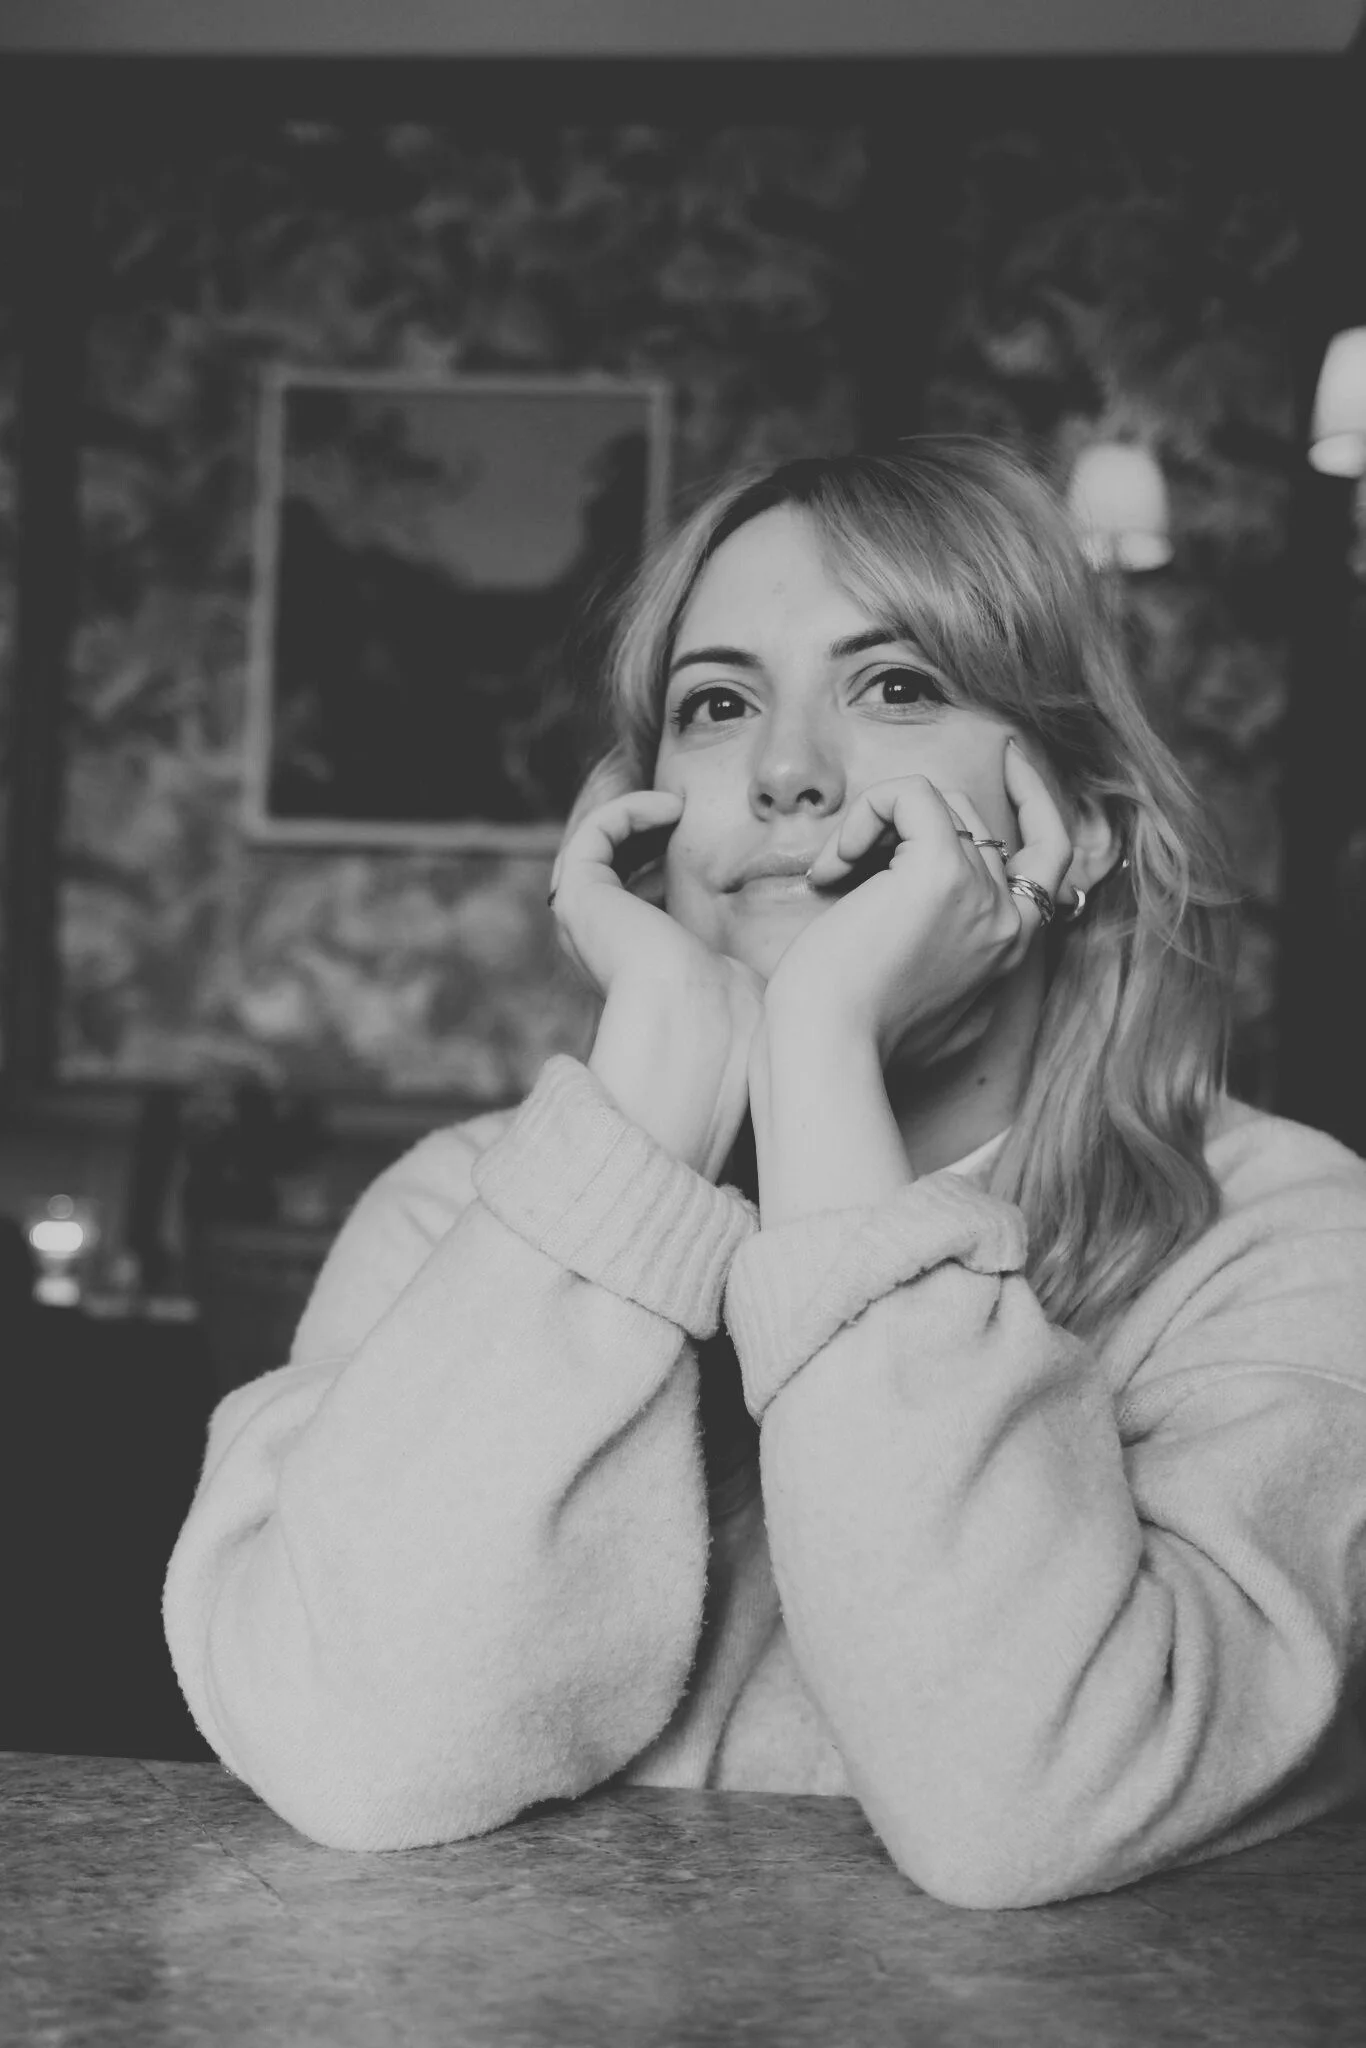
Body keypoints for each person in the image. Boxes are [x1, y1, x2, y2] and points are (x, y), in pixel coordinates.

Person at [163, 439, 1366, 1908]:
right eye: (718, 705)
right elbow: (365, 1753)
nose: (789, 771)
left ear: (1084, 825)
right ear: (648, 820)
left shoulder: (1287, 1239)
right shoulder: (465, 1210)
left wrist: (819, 1061)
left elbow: (1023, 1806)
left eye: (898, 685)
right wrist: (663, 1052)